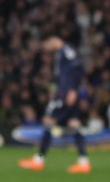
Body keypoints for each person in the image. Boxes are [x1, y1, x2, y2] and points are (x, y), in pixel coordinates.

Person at [18, 37, 91, 174]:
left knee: (48, 120)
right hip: (66, 92)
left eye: (47, 47)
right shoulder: (61, 53)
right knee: (73, 123)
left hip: (66, 94)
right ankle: (83, 162)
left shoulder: (66, 50)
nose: (47, 50)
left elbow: (77, 68)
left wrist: (72, 90)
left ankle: (38, 160)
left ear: (53, 41)